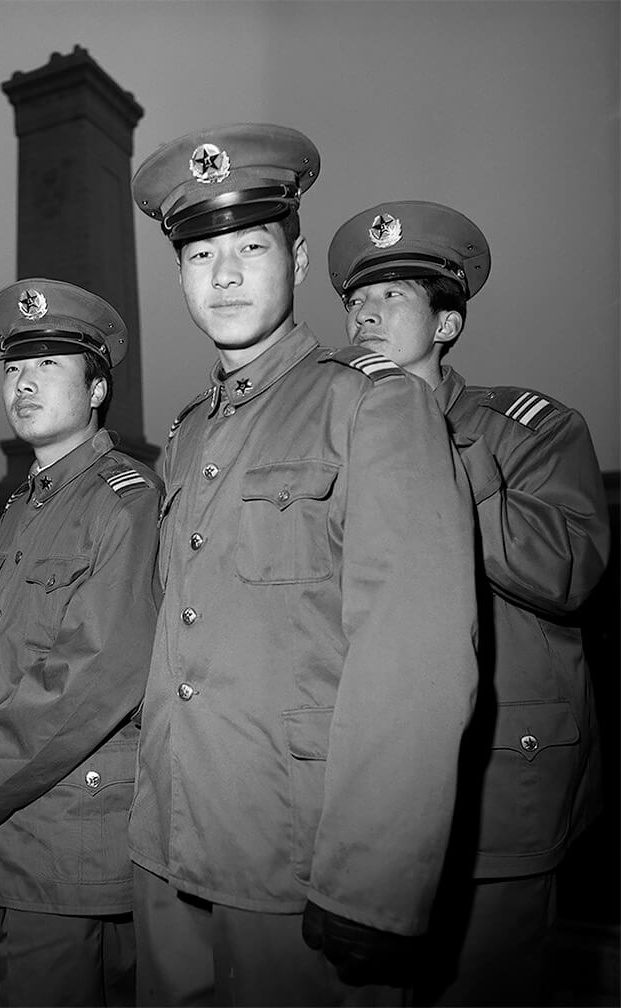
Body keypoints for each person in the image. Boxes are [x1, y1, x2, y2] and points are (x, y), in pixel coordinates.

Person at [127, 124, 480, 1006]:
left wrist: (372, 883)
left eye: (252, 245)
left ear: (298, 254)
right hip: (169, 851)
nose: (227, 274)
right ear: (178, 275)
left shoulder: (375, 406)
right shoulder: (190, 431)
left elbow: (417, 660)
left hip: (299, 862)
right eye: (201, 253)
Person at [327, 200, 610, 1005]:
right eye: (355, 300)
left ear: (446, 324)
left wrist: (442, 455)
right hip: (369, 780)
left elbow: (568, 571)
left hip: (500, 781)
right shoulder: (333, 433)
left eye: (391, 298)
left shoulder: (529, 430)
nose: (364, 316)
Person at [0, 279, 163, 1007]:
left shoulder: (126, 500)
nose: (23, 384)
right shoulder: (25, 501)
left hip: (62, 833)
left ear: (96, 390)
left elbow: (96, 672)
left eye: (49, 367)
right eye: (14, 369)